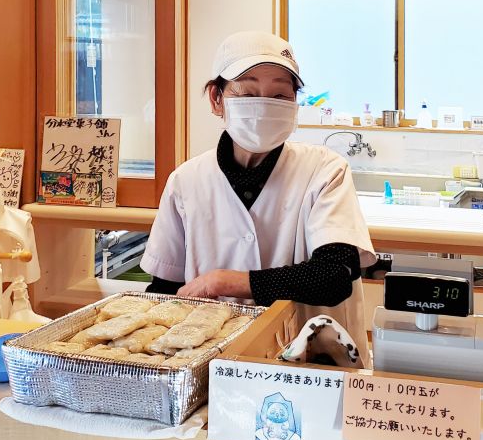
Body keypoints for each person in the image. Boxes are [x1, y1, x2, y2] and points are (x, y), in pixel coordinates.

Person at [142, 31, 377, 356]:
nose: (265, 107)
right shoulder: (186, 181)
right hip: (211, 362)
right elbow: (165, 289)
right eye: (249, 93)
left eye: (279, 96)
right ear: (216, 99)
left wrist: (224, 282)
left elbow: (332, 276)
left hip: (315, 364)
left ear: (294, 104)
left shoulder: (325, 170)